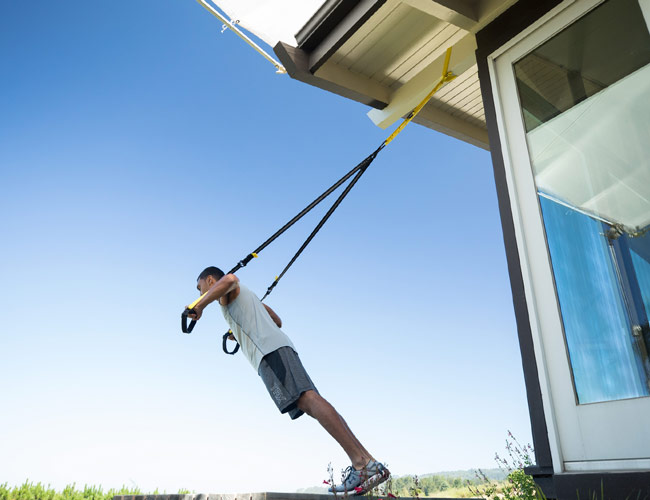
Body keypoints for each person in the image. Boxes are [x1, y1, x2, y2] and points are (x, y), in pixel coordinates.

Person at [187, 266, 389, 494]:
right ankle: (367, 462)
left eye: (199, 288)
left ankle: (363, 463)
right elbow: (277, 320)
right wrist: (241, 329)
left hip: (270, 353)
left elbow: (230, 278)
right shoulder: (240, 298)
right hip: (279, 348)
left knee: (308, 400)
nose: (199, 293)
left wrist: (200, 305)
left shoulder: (225, 293)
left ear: (210, 280)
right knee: (311, 401)